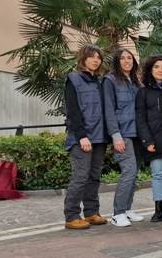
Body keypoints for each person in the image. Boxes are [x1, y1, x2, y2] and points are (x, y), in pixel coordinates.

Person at [63, 45, 109, 229]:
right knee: (80, 177)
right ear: (83, 58)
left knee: (94, 177)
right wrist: (82, 136)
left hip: (99, 137)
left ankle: (91, 212)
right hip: (81, 138)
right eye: (92, 57)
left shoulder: (99, 81)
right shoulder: (73, 79)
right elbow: (72, 110)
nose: (96, 60)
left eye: (98, 57)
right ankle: (72, 215)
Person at [102, 49, 144, 227]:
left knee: (134, 174)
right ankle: (117, 213)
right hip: (122, 133)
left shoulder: (136, 81)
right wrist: (115, 135)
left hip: (137, 133)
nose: (126, 61)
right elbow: (108, 109)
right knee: (129, 171)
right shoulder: (110, 80)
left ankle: (127, 209)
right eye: (122, 58)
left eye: (129, 58)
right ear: (117, 62)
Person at [136, 55, 162, 222]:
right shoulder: (143, 92)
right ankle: (158, 209)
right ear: (150, 70)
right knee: (158, 174)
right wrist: (147, 141)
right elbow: (140, 119)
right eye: (157, 67)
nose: (160, 70)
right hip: (152, 141)